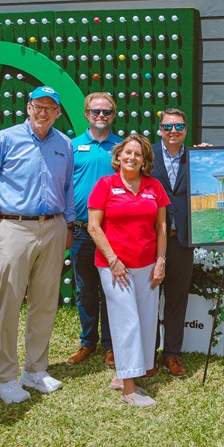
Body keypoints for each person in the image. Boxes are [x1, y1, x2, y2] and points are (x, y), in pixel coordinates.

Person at [0, 85, 75, 404]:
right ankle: (4, 377)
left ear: (58, 113)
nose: (43, 112)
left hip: (54, 226)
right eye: (38, 106)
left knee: (45, 302)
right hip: (14, 228)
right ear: (28, 107)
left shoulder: (65, 144)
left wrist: (69, 225)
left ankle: (35, 370)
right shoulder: (3, 139)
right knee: (7, 302)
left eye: (50, 108)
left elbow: (69, 187)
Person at [88, 134, 169, 407]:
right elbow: (93, 227)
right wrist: (113, 260)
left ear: (145, 161)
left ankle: (129, 373)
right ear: (118, 157)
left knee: (146, 322)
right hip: (115, 268)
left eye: (138, 154)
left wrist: (161, 260)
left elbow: (161, 228)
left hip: (147, 266)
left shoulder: (154, 186)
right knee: (127, 323)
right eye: (128, 153)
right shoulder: (105, 185)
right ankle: (129, 390)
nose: (132, 158)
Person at [66, 92, 122, 367]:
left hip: (114, 231)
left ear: (114, 115)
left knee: (112, 288)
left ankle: (112, 345)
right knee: (85, 289)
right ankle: (88, 343)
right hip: (80, 230)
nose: (101, 116)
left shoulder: (123, 148)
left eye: (107, 111)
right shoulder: (71, 146)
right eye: (96, 111)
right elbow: (63, 186)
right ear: (87, 114)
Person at [151, 108, 201, 376]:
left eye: (179, 127)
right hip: (150, 240)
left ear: (185, 130)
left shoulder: (195, 157)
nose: (173, 132)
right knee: (149, 299)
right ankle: (148, 355)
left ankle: (172, 354)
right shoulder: (148, 156)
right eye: (168, 127)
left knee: (176, 299)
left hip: (182, 240)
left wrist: (208, 157)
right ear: (160, 129)